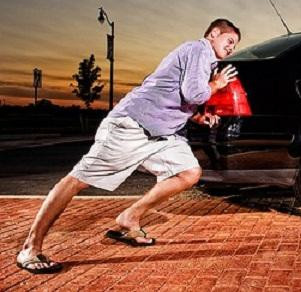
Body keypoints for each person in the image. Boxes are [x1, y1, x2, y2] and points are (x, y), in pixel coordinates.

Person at [16, 18, 241, 274]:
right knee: (77, 180)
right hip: (131, 126)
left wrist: (197, 116)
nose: (232, 47)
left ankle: (130, 217)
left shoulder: (202, 59)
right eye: (229, 40)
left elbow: (171, 92)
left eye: (235, 44)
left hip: (161, 133)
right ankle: (30, 248)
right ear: (213, 33)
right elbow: (193, 94)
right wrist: (216, 84)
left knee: (189, 172)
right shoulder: (199, 49)